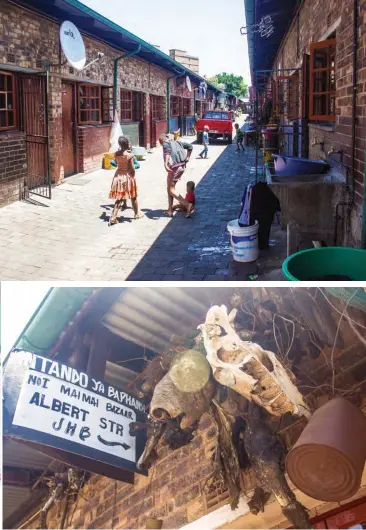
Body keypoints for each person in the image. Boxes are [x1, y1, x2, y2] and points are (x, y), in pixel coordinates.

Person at [108, 136, 144, 226]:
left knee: (119, 197)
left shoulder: (116, 154)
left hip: (118, 176)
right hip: (127, 177)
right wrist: (133, 176)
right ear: (127, 144)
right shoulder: (130, 155)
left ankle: (113, 217)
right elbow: (132, 168)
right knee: (133, 196)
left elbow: (115, 163)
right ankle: (137, 214)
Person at [158, 133, 193, 217]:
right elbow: (190, 146)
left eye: (160, 143)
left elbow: (167, 152)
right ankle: (170, 210)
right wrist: (188, 157)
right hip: (181, 166)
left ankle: (187, 205)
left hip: (174, 168)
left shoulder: (166, 143)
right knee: (170, 188)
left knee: (170, 189)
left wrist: (165, 164)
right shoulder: (177, 142)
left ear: (162, 141)